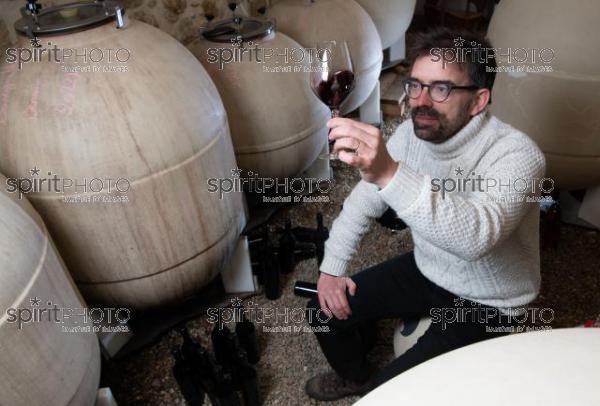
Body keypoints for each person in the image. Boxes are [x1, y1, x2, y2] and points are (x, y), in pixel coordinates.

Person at [304, 27, 547, 401]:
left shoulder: (518, 156)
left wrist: (389, 172)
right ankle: (356, 377)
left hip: (489, 300)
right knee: (321, 311)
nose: (420, 101)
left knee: (392, 394)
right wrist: (331, 268)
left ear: (479, 100)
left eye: (441, 89)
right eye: (415, 85)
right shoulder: (407, 137)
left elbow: (476, 239)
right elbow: (361, 204)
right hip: (429, 266)